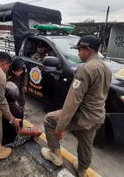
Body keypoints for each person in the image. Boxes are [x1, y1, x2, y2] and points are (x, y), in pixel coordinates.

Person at [40, 35, 112, 177]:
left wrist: (60, 127)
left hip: (83, 115)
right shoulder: (106, 68)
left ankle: (55, 155)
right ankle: (82, 169)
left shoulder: (85, 69)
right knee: (86, 142)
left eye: (79, 49)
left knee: (49, 120)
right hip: (97, 116)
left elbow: (72, 102)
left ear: (88, 50)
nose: (78, 53)